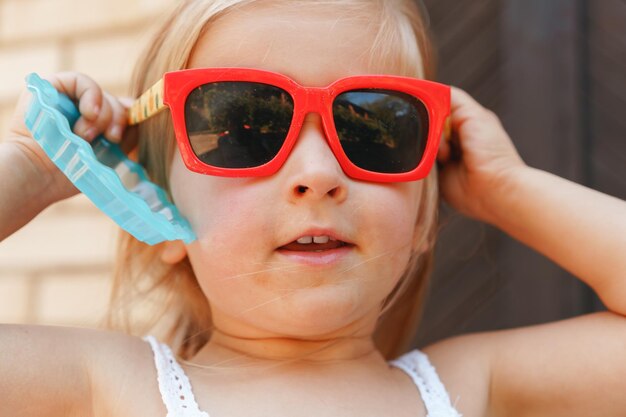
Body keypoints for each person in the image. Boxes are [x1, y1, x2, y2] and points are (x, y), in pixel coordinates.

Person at [1, 0, 625, 416]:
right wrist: (34, 166)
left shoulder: (470, 386)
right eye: (245, 127)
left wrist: (509, 189)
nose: (319, 176)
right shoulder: (107, 387)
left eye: (376, 128)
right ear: (154, 203)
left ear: (423, 218)